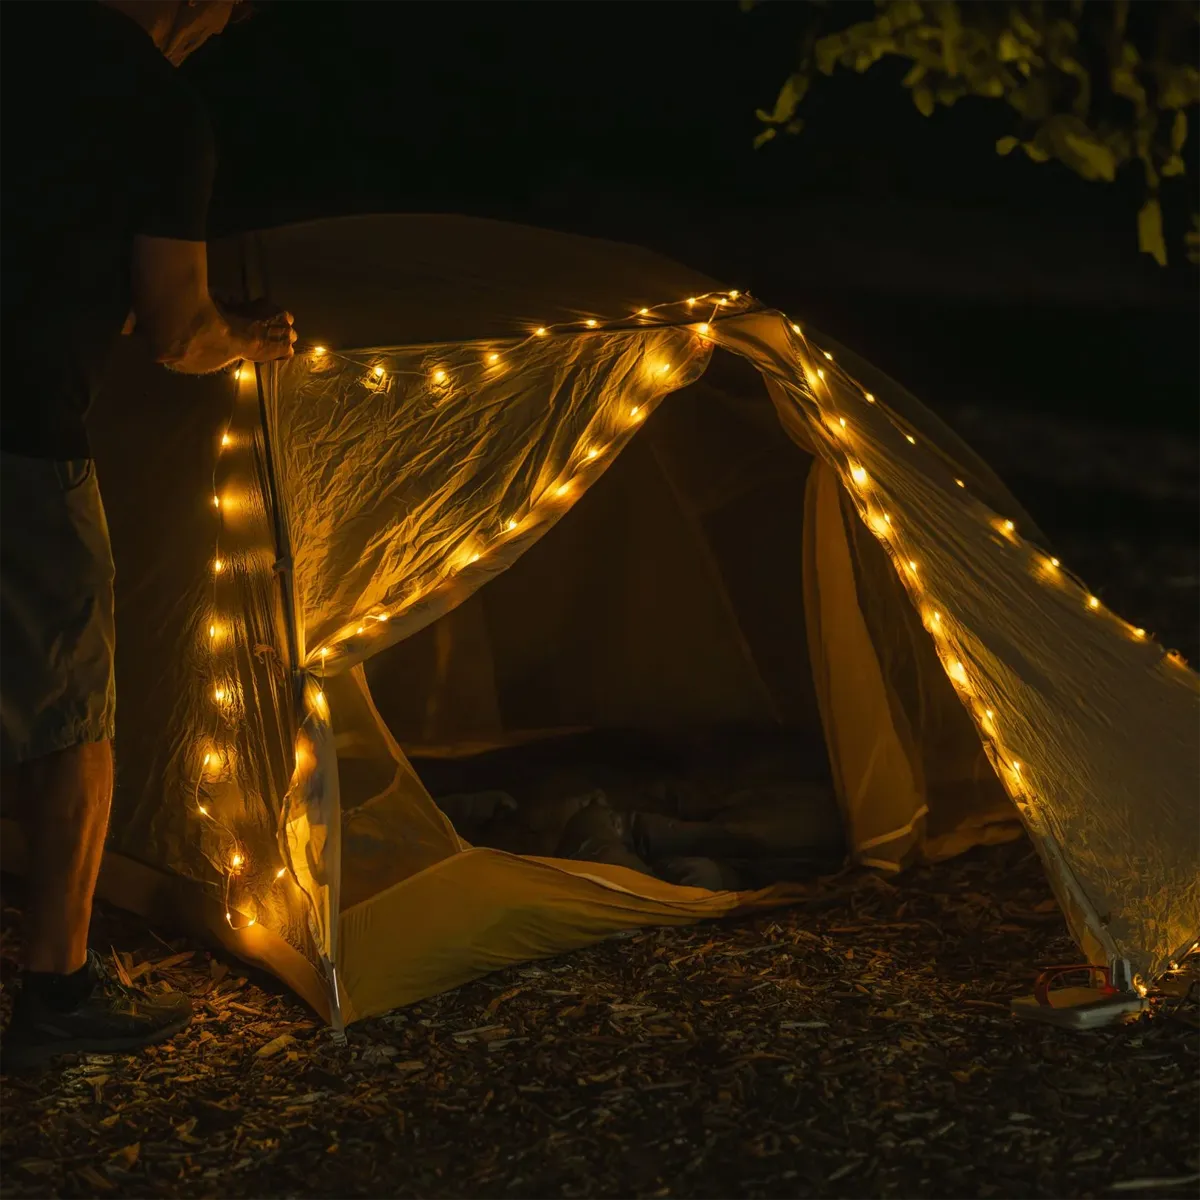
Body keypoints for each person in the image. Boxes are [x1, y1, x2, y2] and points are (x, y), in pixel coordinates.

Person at [0, 0, 295, 1070]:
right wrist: (246, 340)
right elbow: (181, 330)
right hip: (23, 439)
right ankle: (59, 990)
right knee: (72, 714)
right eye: (225, 12)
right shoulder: (155, 107)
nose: (220, 33)